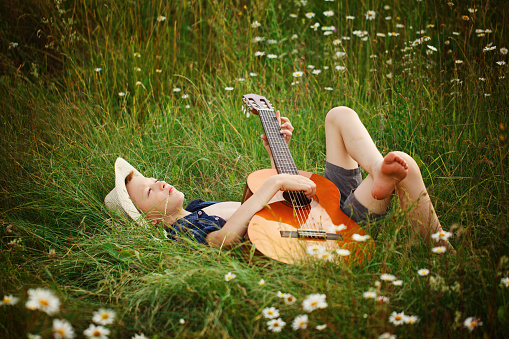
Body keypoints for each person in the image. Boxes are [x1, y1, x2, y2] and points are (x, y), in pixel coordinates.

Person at [105, 106, 452, 250]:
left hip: (321, 203)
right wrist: (274, 183)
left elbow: (275, 205)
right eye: (150, 190)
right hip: (329, 230)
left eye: (152, 177)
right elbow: (223, 239)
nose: (160, 182)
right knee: (406, 165)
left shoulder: (199, 206)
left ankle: (376, 171)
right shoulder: (182, 230)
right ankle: (441, 251)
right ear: (149, 221)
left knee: (339, 115)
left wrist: (277, 155)